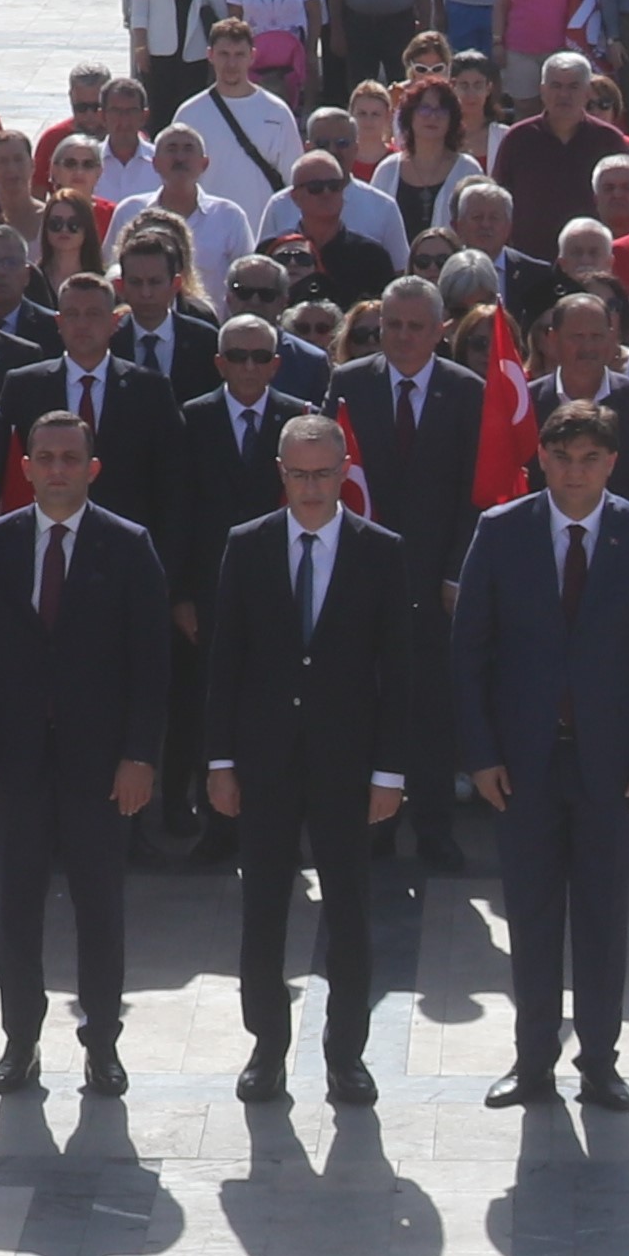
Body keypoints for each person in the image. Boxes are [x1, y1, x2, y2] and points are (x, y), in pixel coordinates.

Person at [458, 396, 629, 1107]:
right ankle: (533, 1063)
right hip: (524, 763)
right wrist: (482, 753)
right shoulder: (501, 532)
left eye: (591, 458)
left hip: (614, 767)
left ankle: (599, 1061)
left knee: (601, 917)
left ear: (612, 463)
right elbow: (469, 654)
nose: (575, 471)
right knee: (529, 917)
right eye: (562, 456)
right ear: (543, 460)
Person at [0, 407, 169, 1093]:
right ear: (25, 468)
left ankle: (101, 1042)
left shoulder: (129, 545)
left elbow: (152, 664)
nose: (56, 470)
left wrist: (140, 756)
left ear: (92, 468)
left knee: (99, 908)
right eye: (44, 458)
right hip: (14, 765)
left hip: (100, 768)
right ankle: (21, 1042)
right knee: (16, 908)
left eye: (69, 459)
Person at [208, 406, 417, 1103]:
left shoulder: (380, 551)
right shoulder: (248, 543)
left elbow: (400, 671)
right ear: (281, 474)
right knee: (263, 906)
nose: (310, 488)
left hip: (347, 765)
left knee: (351, 911)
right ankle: (267, 1046)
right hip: (265, 762)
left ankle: (345, 1054)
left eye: (323, 474)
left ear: (344, 471)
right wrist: (219, 762)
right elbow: (225, 662)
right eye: (298, 475)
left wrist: (390, 772)